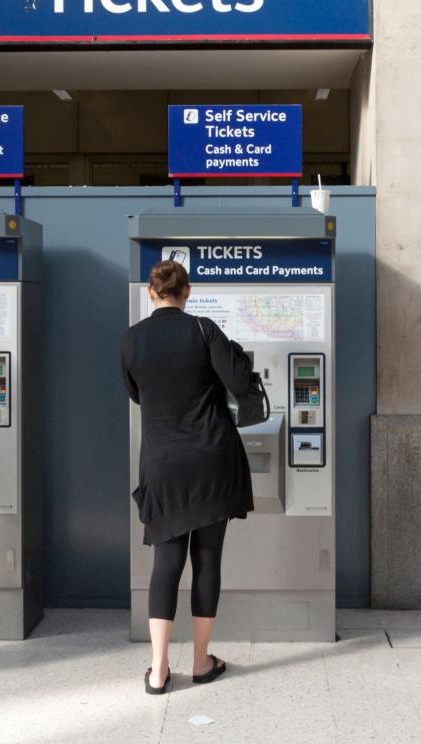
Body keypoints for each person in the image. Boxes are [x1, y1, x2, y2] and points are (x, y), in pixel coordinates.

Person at [120, 260, 254, 694]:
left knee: (166, 563)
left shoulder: (132, 339)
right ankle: (200, 662)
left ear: (151, 294)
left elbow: (137, 395)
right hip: (212, 458)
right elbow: (238, 382)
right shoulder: (203, 330)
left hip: (162, 461)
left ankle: (158, 669)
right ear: (188, 292)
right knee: (208, 558)